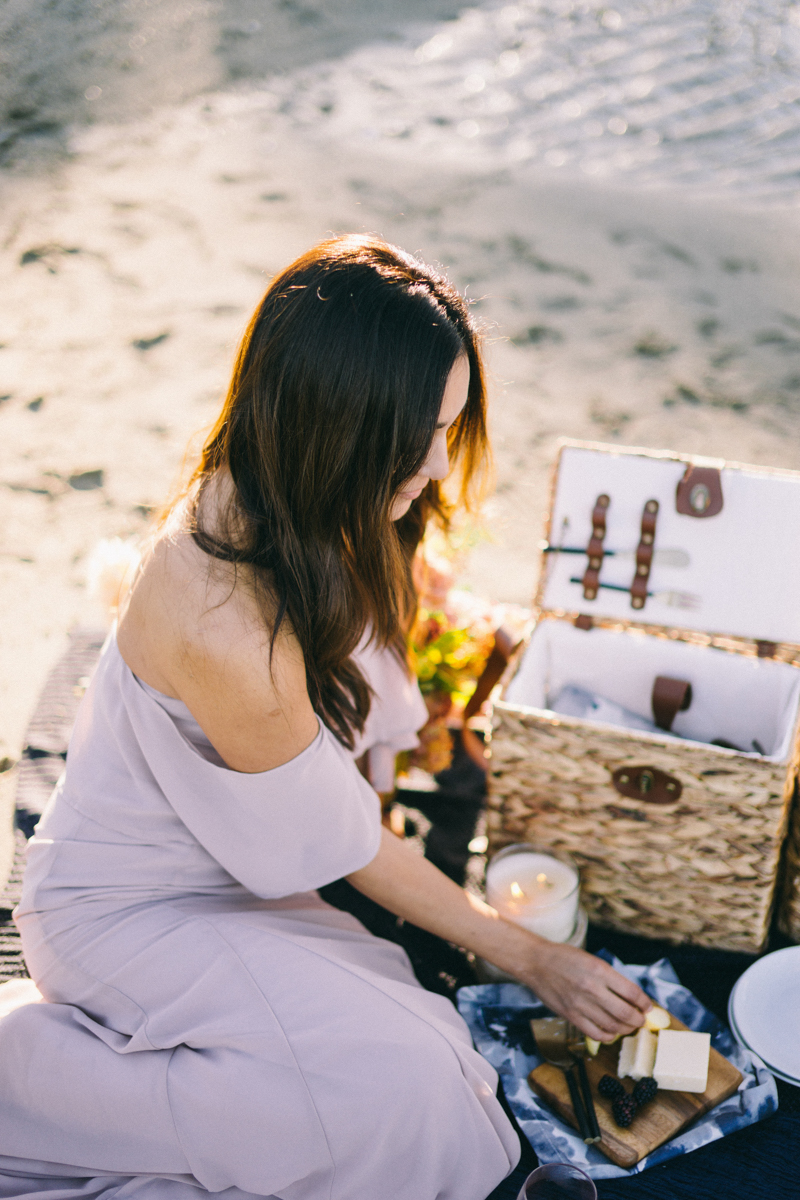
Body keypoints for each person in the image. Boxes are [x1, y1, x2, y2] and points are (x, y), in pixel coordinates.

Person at [0, 236, 651, 1200]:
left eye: (449, 428)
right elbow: (344, 836)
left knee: (420, 1048)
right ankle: (37, 1089)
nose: (437, 464)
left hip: (235, 880)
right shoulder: (229, 626)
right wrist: (529, 955)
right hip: (129, 914)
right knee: (418, 1093)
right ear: (335, 426)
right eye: (418, 437)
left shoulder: (287, 501)